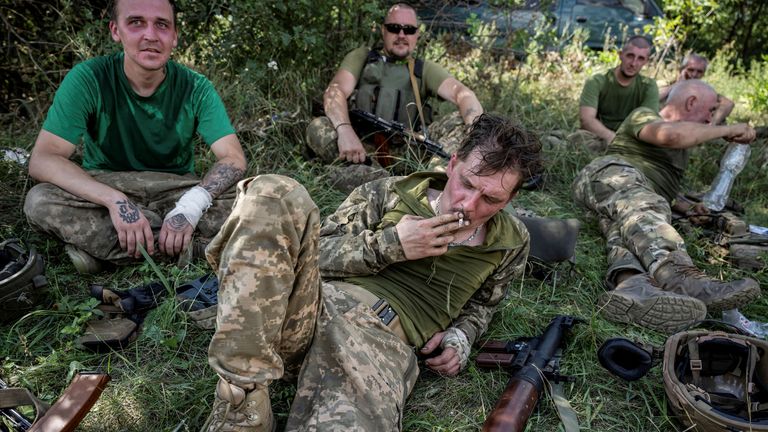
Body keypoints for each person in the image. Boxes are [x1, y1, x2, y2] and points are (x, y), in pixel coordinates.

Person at [202, 113, 541, 431]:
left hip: (377, 345)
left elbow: (484, 305)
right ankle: (242, 396)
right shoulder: (391, 193)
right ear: (452, 164)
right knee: (272, 192)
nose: (468, 204)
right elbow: (311, 254)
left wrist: (461, 336)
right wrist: (391, 244)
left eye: (491, 199)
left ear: (508, 201)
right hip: (311, 307)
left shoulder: (510, 241)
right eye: (467, 183)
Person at [23, 0, 246, 274]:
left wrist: (192, 205)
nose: (150, 35)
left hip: (176, 190)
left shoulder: (196, 87)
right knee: (40, 200)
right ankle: (197, 249)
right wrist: (115, 201)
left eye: (162, 25)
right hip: (106, 186)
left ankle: (106, 250)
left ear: (174, 36)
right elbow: (44, 158)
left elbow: (233, 158)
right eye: (136, 22)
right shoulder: (89, 77)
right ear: (116, 31)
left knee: (253, 201)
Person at [572, 79, 761, 334]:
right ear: (692, 101)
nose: (710, 118)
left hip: (617, 197)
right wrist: (727, 130)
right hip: (610, 174)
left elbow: (656, 193)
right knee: (644, 205)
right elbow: (671, 135)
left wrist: (683, 206)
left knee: (625, 229)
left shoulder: (678, 153)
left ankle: (632, 287)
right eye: (710, 110)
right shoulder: (645, 115)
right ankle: (677, 274)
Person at [305, 3, 483, 192]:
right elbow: (335, 91)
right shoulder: (363, 57)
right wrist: (345, 131)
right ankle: (397, 186)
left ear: (417, 34)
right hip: (361, 150)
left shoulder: (424, 69)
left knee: (460, 121)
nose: (401, 35)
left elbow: (463, 94)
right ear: (383, 31)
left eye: (409, 30)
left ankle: (433, 177)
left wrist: (477, 134)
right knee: (318, 127)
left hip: (409, 153)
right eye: (394, 28)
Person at [570, 35, 659, 153]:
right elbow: (586, 120)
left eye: (640, 58)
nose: (633, 63)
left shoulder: (648, 86)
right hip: (598, 136)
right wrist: (614, 140)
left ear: (646, 61)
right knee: (580, 142)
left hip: (630, 139)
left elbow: (648, 124)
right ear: (621, 55)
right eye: (630, 56)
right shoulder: (597, 81)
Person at [659, 53, 734, 125]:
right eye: (691, 70)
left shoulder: (703, 90)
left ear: (704, 73)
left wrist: (712, 125)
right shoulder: (666, 84)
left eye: (699, 72)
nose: (694, 75)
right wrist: (680, 84)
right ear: (682, 69)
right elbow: (655, 96)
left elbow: (729, 104)